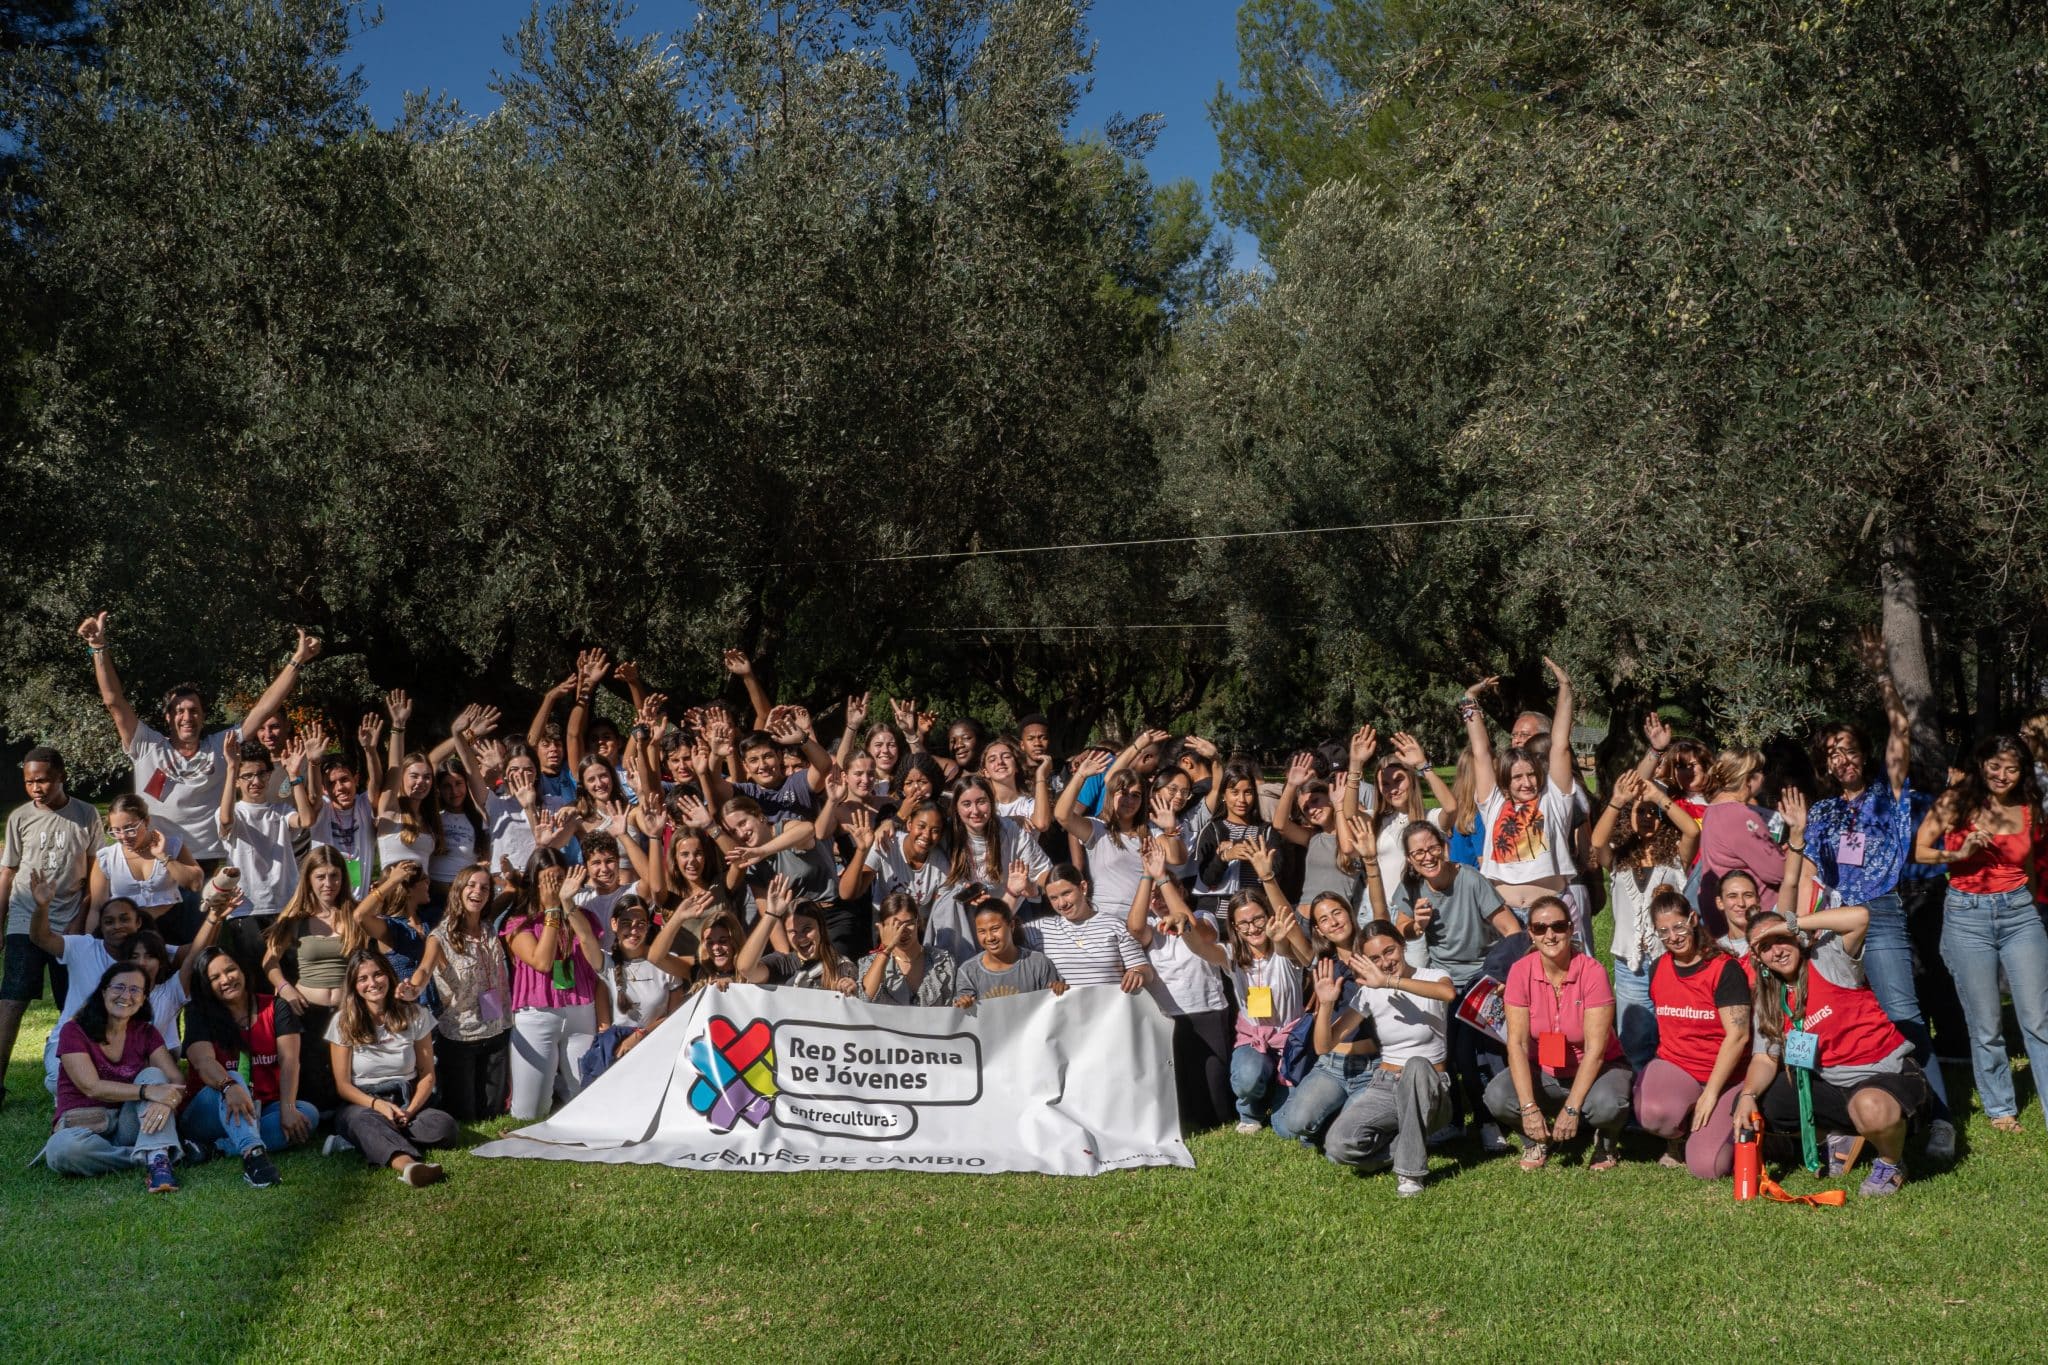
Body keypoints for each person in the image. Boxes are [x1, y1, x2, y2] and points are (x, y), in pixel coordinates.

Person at [1803, 639, 1956, 1157]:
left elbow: (1901, 731)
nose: (1842, 759)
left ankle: (1940, 1118)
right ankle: (1853, 1116)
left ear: (1862, 752)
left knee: (1903, 1014)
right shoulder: (1822, 812)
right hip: (1831, 920)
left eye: (1848, 749)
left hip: (1882, 912)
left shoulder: (1887, 794)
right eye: (1833, 753)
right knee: (1840, 1017)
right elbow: (1811, 872)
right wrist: (1799, 923)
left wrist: (1881, 676)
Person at [76, 611, 319, 861]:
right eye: (179, 711)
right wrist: (98, 648)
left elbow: (265, 708)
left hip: (210, 860)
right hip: (158, 859)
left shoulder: (221, 746)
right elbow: (114, 702)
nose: (187, 717)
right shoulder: (147, 746)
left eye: (194, 711)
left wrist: (297, 660)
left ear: (203, 716)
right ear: (168, 717)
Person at [1733, 907, 1933, 1196]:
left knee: (1870, 1107)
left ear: (1795, 937)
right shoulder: (1770, 999)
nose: (1777, 951)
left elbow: (1860, 918)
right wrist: (1747, 1095)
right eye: (1765, 947)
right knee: (1756, 1103)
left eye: (1782, 939)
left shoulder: (1826, 958)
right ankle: (1842, 1134)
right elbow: (1765, 1058)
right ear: (1758, 959)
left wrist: (1792, 924)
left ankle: (1891, 1162)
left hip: (1885, 1073)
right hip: (1832, 1084)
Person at [1914, 733, 2048, 1133]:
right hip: (1967, 916)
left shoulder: (2029, 806)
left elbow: (2031, 866)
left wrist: (2033, 909)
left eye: (2012, 768)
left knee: (2038, 1018)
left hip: (2019, 913)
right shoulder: (1956, 801)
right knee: (1986, 1022)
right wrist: (1959, 853)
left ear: (2023, 771)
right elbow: (1920, 850)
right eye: (1995, 766)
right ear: (1981, 764)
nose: (2002, 775)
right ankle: (2001, 1108)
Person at [1389, 820, 1517, 1149]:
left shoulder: (1470, 880)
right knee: (1444, 1055)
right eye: (1418, 852)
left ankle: (1488, 1122)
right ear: (1410, 859)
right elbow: (1401, 929)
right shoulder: (1411, 886)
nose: (1427, 857)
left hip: (1480, 976)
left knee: (1467, 1053)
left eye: (1432, 848)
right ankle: (1455, 1120)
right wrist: (1416, 926)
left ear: (1444, 847)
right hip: (1443, 980)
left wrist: (1504, 975)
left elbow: (1512, 930)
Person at [1486, 896, 1632, 1172]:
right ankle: (1536, 1138)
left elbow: (1596, 1051)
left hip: (1596, 1068)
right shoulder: (1520, 971)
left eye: (1558, 926)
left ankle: (1606, 1140)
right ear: (1530, 933)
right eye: (1540, 928)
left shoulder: (1593, 972)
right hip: (1544, 1069)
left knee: (1608, 1104)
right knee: (1497, 1095)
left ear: (1571, 929)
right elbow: (1517, 1044)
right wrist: (1528, 1107)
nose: (1550, 935)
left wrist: (1572, 1108)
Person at [1316, 923, 1459, 1196]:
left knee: (1416, 1064)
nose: (1385, 962)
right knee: (1338, 1146)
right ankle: (1412, 1140)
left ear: (1402, 945)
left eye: (1389, 951)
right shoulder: (1370, 991)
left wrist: (1389, 982)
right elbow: (1324, 1045)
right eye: (1375, 958)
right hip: (1385, 1083)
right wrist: (1325, 1004)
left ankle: (1410, 1173)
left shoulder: (1432, 975)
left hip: (1429, 1084)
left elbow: (1448, 994)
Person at [0, 745, 104, 1104]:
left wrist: (81, 918)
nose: (36, 788)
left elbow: (95, 872)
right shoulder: (19, 818)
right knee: (11, 1001)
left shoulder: (86, 814)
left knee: (72, 1006)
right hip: (24, 919)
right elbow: (7, 872)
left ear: (61, 777)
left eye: (43, 780)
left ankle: (80, 1081)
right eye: (29, 782)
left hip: (67, 926)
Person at [1631, 891, 1750, 1178]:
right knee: (1652, 1112)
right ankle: (1679, 1133)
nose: (1673, 937)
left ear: (1693, 920)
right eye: (1664, 931)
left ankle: (1746, 1130)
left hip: (1726, 1076)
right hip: (1679, 1066)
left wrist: (1710, 1094)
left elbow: (1738, 1036)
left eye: (1679, 926)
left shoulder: (1724, 969)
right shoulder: (1659, 967)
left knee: (1708, 1166)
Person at [39, 961, 187, 1192]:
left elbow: (176, 1080)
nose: (126, 995)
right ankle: (145, 1155)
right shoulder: (74, 1031)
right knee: (61, 1150)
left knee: (153, 1074)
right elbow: (91, 1087)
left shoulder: (146, 1032)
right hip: (84, 1126)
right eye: (119, 987)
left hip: (129, 1124)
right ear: (103, 991)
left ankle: (158, 1160)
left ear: (143, 999)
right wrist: (148, 1091)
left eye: (135, 990)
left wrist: (166, 1100)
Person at [1589, 768, 1700, 1069]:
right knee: (1635, 1037)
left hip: (1670, 958)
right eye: (1641, 812)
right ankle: (1639, 1086)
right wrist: (1617, 801)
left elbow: (1692, 831)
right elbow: (1597, 842)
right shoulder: (1619, 857)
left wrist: (1658, 797)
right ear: (1630, 817)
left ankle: (1670, 1083)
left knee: (1670, 1029)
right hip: (1630, 965)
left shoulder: (1675, 857)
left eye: (1653, 812)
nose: (1648, 817)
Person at [181, 947, 320, 1186]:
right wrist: (228, 1086)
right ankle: (254, 1156)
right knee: (233, 1076)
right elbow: (203, 1062)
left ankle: (215, 1148)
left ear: (243, 970)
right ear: (206, 985)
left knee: (307, 1114)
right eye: (215, 977)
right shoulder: (197, 1012)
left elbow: (289, 1061)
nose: (226, 979)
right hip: (209, 1109)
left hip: (259, 1108)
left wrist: (288, 1107)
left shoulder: (276, 1007)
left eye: (230, 970)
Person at [1463, 660, 1580, 932]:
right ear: (1506, 781)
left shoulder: (1554, 800)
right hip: (1503, 917)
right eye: (1517, 777)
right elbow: (1481, 752)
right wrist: (1469, 699)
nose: (1526, 783)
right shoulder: (1493, 804)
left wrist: (1565, 687)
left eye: (1531, 775)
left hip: (1551, 913)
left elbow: (1560, 745)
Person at [326, 949, 458, 1186]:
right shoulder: (343, 1021)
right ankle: (409, 1166)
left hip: (407, 1097)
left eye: (378, 974)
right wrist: (378, 1105)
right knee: (362, 1121)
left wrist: (410, 1111)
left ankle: (362, 1141)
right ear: (354, 985)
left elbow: (427, 1074)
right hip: (363, 1102)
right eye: (363, 978)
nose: (372, 983)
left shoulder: (416, 1014)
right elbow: (343, 1086)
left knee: (444, 1126)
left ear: (389, 975)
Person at [1127, 845, 1234, 1132]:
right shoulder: (1150, 928)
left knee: (1215, 1095)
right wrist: (1147, 875)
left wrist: (1162, 878)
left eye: (1165, 894)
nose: (1159, 900)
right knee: (1181, 1090)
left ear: (1180, 892)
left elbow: (1197, 930)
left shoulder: (1204, 916)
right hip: (1169, 1017)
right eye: (1153, 897)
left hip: (1208, 1010)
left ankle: (1221, 1120)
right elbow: (1134, 929)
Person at [403, 863, 512, 1121]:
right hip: (460, 1036)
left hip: (496, 1028)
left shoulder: (488, 929)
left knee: (493, 1114)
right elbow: (425, 969)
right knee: (465, 1115)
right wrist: (412, 988)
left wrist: (509, 874)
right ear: (458, 890)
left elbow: (512, 889)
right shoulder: (440, 937)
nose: (478, 892)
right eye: (471, 885)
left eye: (484, 888)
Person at [1271, 892, 1382, 1146]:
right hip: (1332, 1064)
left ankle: (1338, 1118)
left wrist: (1372, 869)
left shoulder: (1375, 957)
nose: (1333, 922)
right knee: (1293, 1124)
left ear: (1350, 914)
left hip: (1373, 1066)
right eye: (1323, 919)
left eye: (1337, 912)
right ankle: (1302, 1101)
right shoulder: (1322, 965)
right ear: (1319, 930)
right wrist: (1267, 877)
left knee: (1343, 1141)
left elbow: (1381, 911)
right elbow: (1288, 928)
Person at [261, 845, 366, 1111]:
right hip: (307, 1009)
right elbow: (269, 962)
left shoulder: (355, 914)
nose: (328, 883)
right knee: (311, 1073)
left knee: (347, 1071)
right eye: (321, 876)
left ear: (343, 878)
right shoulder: (295, 918)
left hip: (346, 1008)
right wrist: (284, 987)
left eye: (334, 876)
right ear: (309, 879)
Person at [216, 728, 323, 969]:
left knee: (290, 972)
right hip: (246, 909)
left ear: (269, 775)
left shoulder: (281, 811)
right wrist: (232, 767)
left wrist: (294, 775)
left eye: (261, 774)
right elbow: (225, 819)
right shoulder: (234, 812)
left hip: (285, 906)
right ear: (238, 780)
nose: (255, 781)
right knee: (256, 977)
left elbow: (307, 820)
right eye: (247, 776)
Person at [502, 865, 603, 1120]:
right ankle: (553, 1087)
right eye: (547, 880)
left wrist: (567, 905)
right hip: (537, 1015)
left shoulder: (584, 916)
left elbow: (596, 959)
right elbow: (543, 962)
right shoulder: (518, 923)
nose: (555, 886)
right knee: (529, 1113)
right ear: (534, 884)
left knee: (589, 1102)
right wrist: (552, 911)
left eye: (560, 879)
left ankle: (561, 1091)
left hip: (581, 1011)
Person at [1224, 881, 1311, 1133]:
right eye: (1244, 923)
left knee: (1286, 1128)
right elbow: (1202, 946)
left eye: (1258, 919)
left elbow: (1286, 950)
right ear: (1235, 927)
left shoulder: (1286, 951)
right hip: (1254, 1039)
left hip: (1290, 1041)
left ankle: (1277, 1090)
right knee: (1248, 1077)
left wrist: (1280, 940)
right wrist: (1186, 928)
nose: (1252, 928)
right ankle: (1250, 1111)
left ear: (1268, 916)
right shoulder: (1231, 955)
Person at [1020, 865, 1153, 995]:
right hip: (1067, 1009)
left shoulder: (1114, 925)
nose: (1061, 903)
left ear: (1083, 887)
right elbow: (1007, 934)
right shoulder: (1041, 929)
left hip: (1110, 1007)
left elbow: (1144, 970)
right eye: (1053, 898)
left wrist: (1137, 973)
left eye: (1066, 893)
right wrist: (1014, 894)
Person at [1696, 748, 1798, 915]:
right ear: (1748, 778)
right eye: (1761, 771)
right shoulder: (1741, 816)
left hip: (1724, 910)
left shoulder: (1713, 809)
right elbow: (1779, 873)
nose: (1764, 777)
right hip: (1754, 915)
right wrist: (1796, 840)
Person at [89, 794, 203, 944]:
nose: (123, 836)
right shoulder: (107, 858)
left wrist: (162, 856)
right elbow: (97, 908)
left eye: (130, 829)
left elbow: (195, 884)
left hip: (173, 928)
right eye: (116, 830)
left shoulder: (172, 846)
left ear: (146, 821)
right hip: (127, 935)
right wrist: (90, 944)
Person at [736, 875, 859, 991]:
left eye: (807, 929)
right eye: (793, 932)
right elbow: (746, 969)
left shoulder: (841, 965)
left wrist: (848, 986)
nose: (801, 938)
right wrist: (771, 914)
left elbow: (850, 991)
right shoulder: (782, 963)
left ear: (821, 928)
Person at [373, 690, 440, 876]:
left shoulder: (430, 820)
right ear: (401, 779)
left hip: (422, 893)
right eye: (414, 776)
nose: (421, 782)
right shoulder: (390, 811)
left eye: (427, 777)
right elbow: (394, 765)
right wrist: (398, 726)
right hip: (392, 892)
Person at [951, 898, 1066, 1005]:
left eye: (995, 929)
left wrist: (1059, 991)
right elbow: (965, 1014)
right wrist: (963, 1004)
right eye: (982, 931)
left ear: (1011, 926)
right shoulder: (968, 972)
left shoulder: (1038, 963)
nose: (989, 937)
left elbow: (1053, 1006)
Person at [857, 892, 959, 1006]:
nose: (903, 931)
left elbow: (953, 1005)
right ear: (883, 927)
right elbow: (864, 998)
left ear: (918, 922)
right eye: (895, 926)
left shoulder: (943, 961)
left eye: (908, 924)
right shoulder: (870, 963)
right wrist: (886, 950)